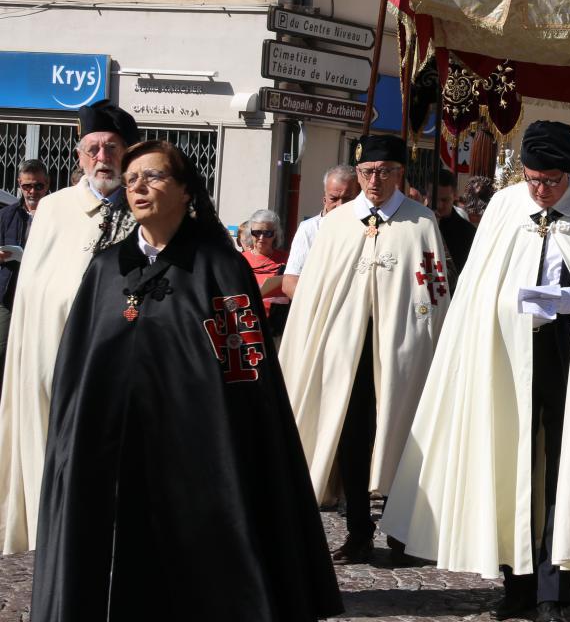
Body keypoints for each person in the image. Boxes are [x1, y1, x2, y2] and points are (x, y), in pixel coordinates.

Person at [31, 140, 342, 622]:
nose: (139, 187)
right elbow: (79, 370)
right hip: (110, 455)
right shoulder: (106, 269)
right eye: (131, 180)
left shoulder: (220, 268)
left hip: (198, 456)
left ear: (185, 190)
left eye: (153, 176)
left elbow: (248, 373)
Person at [382, 121, 570, 622]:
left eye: (550, 181)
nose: (539, 190)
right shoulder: (505, 207)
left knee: (565, 468)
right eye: (533, 179)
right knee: (510, 462)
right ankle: (515, 585)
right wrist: (505, 308)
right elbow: (477, 288)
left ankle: (551, 591)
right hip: (506, 354)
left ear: (569, 175)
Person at [280, 134, 448, 565]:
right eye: (368, 172)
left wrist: (428, 334)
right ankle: (358, 530)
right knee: (351, 439)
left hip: (401, 350)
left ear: (400, 173)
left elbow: (435, 289)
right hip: (345, 351)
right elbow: (315, 290)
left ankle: (402, 533)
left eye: (385, 172)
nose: (375, 181)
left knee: (402, 434)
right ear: (357, 173)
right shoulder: (337, 224)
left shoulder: (421, 222)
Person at [0, 99, 139, 554]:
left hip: (123, 360)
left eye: (112, 148)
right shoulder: (54, 210)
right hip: (57, 360)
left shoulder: (148, 208)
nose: (102, 158)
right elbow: (34, 294)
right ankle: (55, 531)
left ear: (128, 152)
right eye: (93, 149)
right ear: (79, 155)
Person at [0, 160, 50, 375]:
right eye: (27, 186)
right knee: (2, 349)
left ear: (47, 184)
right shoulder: (7, 214)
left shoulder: (57, 214)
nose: (32, 191)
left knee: (36, 355)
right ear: (19, 184)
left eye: (38, 186)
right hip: (9, 292)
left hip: (43, 293)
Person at [282, 165, 359, 298]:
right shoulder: (309, 229)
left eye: (348, 199)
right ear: (324, 199)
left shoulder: (367, 228)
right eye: (334, 199)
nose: (340, 205)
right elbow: (290, 283)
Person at [243, 209, 290, 337]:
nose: (261, 238)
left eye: (267, 233)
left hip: (276, 327)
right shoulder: (240, 260)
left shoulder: (287, 260)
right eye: (257, 232)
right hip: (247, 326)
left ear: (275, 235)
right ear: (250, 233)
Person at [429, 170, 476, 275]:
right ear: (427, 194)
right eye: (433, 199)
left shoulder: (468, 232)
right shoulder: (414, 227)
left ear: (455, 195)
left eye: (444, 200)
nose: (439, 205)